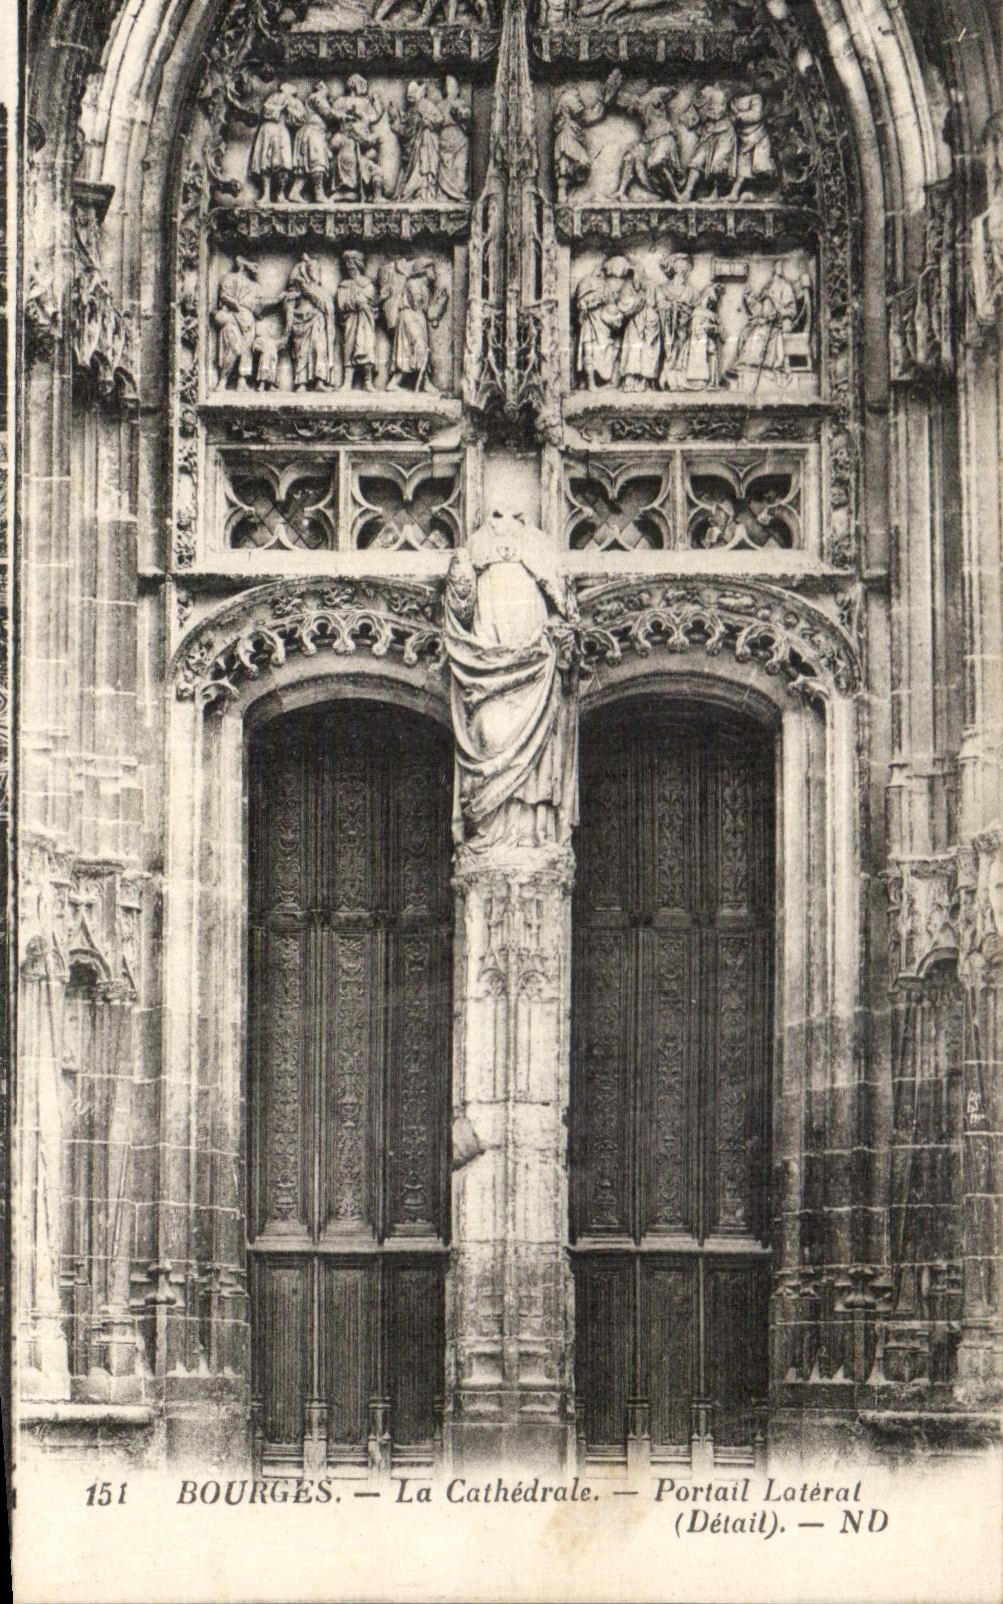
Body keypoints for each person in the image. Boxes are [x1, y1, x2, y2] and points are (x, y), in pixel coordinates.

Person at [442, 512, 579, 851]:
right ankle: (492, 835)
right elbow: (461, 611)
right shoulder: (478, 557)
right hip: (488, 664)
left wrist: (559, 638)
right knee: (489, 732)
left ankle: (534, 833)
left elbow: (564, 611)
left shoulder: (537, 552)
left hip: (535, 665)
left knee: (539, 750)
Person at [553, 72, 622, 203]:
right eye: (578, 101)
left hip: (571, 136)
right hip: (567, 138)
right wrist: (605, 101)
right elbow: (588, 117)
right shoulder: (568, 100)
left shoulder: (571, 107)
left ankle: (565, 193)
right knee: (570, 164)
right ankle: (562, 192)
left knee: (573, 165)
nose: (580, 103)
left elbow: (589, 116)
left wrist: (604, 101)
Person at [732, 258, 799, 388]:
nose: (777, 270)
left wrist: (777, 309)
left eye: (779, 267)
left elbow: (791, 311)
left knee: (758, 335)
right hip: (764, 321)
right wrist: (749, 299)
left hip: (776, 324)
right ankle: (741, 364)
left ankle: (750, 364)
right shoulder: (768, 286)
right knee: (745, 332)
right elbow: (759, 310)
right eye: (775, 267)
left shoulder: (785, 287)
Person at [384, 259, 449, 392]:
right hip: (409, 317)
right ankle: (420, 382)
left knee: (416, 348)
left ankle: (413, 382)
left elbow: (430, 314)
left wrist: (441, 301)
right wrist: (431, 301)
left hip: (418, 318)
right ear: (424, 270)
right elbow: (416, 304)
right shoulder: (413, 283)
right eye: (432, 269)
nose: (435, 272)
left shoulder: (424, 288)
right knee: (417, 346)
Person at [213, 258, 275, 388]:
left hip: (248, 321)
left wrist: (281, 298)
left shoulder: (254, 286)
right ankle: (222, 380)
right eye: (252, 265)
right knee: (234, 347)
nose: (255, 267)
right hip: (232, 317)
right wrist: (237, 306)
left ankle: (242, 380)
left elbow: (263, 302)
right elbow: (224, 296)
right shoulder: (230, 278)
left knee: (247, 350)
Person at [574, 257, 630, 390]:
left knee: (611, 349)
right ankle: (590, 382)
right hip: (591, 322)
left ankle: (609, 380)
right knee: (589, 351)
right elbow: (581, 304)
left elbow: (612, 304)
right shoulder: (586, 283)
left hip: (604, 324)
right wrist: (595, 301)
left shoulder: (607, 286)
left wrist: (615, 315)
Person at [328, 75, 386, 201]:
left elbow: (374, 117)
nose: (364, 87)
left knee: (368, 160)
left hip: (363, 138)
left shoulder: (365, 102)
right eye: (362, 84)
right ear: (354, 85)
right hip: (346, 136)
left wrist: (377, 102)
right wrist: (344, 115)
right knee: (347, 153)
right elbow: (331, 115)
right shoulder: (341, 101)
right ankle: (346, 189)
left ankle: (370, 192)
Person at [283, 255, 337, 390]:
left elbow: (326, 305)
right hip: (300, 323)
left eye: (317, 270)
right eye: (312, 269)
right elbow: (288, 304)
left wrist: (310, 291)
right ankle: (301, 383)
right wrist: (289, 320)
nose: (315, 273)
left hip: (317, 322)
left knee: (319, 349)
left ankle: (320, 381)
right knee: (302, 352)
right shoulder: (297, 288)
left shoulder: (318, 290)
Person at [675, 85, 737, 201]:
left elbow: (718, 112)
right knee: (697, 160)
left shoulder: (718, 95)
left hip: (723, 132)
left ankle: (715, 193)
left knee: (718, 163)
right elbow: (696, 116)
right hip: (708, 133)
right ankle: (688, 191)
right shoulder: (701, 101)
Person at [248, 83, 302, 203]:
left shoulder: (294, 102)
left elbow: (301, 118)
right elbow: (265, 109)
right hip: (268, 128)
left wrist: (289, 109)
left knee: (284, 163)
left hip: (282, 129)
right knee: (265, 162)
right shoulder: (273, 97)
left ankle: (280, 194)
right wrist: (280, 108)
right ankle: (266, 194)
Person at [392, 81, 445, 202]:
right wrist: (397, 125)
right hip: (414, 146)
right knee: (416, 168)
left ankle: (425, 193)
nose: (412, 96)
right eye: (410, 95)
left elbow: (439, 119)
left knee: (425, 164)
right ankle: (418, 193)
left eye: (414, 93)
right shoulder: (411, 111)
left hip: (426, 142)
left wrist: (428, 122)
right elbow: (408, 131)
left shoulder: (427, 105)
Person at [335, 251, 378, 390]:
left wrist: (365, 304)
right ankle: (347, 382)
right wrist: (354, 302)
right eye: (347, 264)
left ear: (359, 265)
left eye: (352, 264)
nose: (349, 267)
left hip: (365, 320)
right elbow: (340, 304)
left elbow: (374, 303)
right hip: (351, 320)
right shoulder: (344, 285)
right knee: (349, 347)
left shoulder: (367, 284)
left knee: (367, 348)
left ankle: (368, 381)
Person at [618, 261, 664, 391]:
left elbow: (662, 304)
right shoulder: (627, 288)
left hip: (650, 324)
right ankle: (630, 380)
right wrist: (634, 305)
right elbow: (623, 307)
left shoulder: (653, 287)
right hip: (634, 323)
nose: (634, 278)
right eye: (632, 276)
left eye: (635, 275)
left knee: (648, 351)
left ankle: (645, 381)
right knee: (633, 350)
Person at [291, 83, 334, 204]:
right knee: (317, 162)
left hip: (314, 133)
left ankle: (294, 191)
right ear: (321, 88)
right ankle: (319, 194)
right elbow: (328, 113)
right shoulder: (316, 97)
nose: (327, 92)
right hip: (312, 133)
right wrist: (343, 115)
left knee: (306, 165)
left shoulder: (316, 98)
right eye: (326, 89)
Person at [728, 92, 776, 199]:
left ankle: (764, 193)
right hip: (743, 136)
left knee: (760, 166)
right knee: (742, 166)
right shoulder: (733, 100)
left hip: (757, 135)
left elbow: (757, 114)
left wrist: (739, 116)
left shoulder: (756, 97)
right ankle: (735, 192)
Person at [684, 279, 724, 388]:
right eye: (708, 299)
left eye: (712, 301)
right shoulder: (697, 312)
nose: (709, 302)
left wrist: (713, 328)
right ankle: (699, 380)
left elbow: (722, 332)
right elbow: (694, 329)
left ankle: (713, 381)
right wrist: (704, 328)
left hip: (708, 340)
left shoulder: (712, 314)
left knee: (713, 353)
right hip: (698, 342)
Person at [436, 77, 470, 203]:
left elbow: (468, 117)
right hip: (446, 139)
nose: (452, 89)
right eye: (449, 86)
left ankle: (460, 193)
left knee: (460, 166)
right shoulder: (440, 105)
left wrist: (461, 114)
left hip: (460, 139)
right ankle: (443, 194)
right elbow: (435, 121)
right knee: (446, 167)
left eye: (454, 86)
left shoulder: (461, 103)